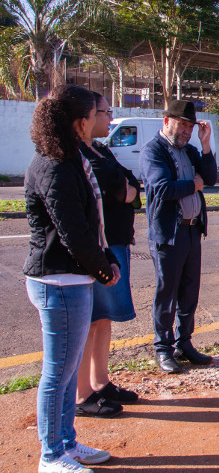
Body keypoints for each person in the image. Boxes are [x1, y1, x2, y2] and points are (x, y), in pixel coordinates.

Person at [24, 84, 119, 472]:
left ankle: (66, 443)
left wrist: (104, 259)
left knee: (66, 370)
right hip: (58, 282)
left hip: (72, 281)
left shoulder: (72, 156)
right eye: (99, 113)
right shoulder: (53, 166)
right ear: (81, 121)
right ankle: (51, 456)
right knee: (57, 374)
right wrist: (101, 267)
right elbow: (73, 232)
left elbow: (90, 222)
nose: (104, 118)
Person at [75, 93, 140, 417]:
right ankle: (81, 395)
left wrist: (128, 189)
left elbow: (130, 185)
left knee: (103, 318)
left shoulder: (99, 149)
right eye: (105, 112)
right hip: (98, 246)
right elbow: (118, 184)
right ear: (86, 116)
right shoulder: (78, 154)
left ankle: (100, 382)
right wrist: (126, 188)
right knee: (88, 320)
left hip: (114, 242)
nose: (110, 118)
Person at [141, 100, 216, 373]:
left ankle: (184, 343)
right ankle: (163, 347)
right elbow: (163, 188)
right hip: (169, 234)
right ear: (166, 121)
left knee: (189, 292)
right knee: (167, 293)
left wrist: (205, 144)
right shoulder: (153, 152)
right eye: (181, 124)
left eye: (189, 126)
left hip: (192, 230)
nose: (186, 131)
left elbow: (210, 176)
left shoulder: (191, 150)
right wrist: (193, 184)